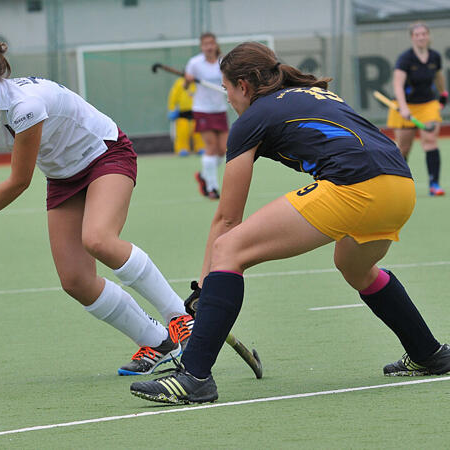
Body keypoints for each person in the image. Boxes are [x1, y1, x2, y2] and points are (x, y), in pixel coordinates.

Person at [130, 42, 450, 405]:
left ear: (244, 86)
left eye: (227, 89)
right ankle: (428, 353)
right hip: (400, 186)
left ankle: (194, 377)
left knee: (228, 250)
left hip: (354, 187)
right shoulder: (314, 91)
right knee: (354, 266)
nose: (228, 99)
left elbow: (227, 218)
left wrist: (206, 285)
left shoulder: (251, 119)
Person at [0, 36, 194, 376]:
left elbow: (19, 180)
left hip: (104, 155)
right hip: (63, 176)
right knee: (75, 281)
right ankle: (160, 344)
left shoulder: (25, 106)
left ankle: (181, 317)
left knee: (98, 239)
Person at [388, 21, 447, 196]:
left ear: (428, 36)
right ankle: (400, 185)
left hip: (427, 104)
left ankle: (434, 184)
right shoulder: (405, 58)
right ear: (412, 38)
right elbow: (398, 85)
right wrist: (404, 108)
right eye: (417, 34)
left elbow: (438, 76)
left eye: (424, 34)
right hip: (405, 106)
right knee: (404, 148)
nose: (421, 37)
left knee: (430, 141)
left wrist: (443, 93)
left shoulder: (435, 56)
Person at [185, 32, 229, 199]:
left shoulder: (223, 62)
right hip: (202, 109)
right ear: (201, 46)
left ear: (215, 44)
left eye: (211, 43)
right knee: (211, 147)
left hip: (220, 109)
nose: (209, 47)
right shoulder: (194, 63)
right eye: (205, 44)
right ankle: (212, 188)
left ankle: (204, 175)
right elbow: (185, 85)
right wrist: (188, 79)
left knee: (223, 150)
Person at [167, 77, 204, 156]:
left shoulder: (197, 83)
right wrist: (172, 109)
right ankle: (182, 148)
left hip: (196, 111)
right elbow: (173, 96)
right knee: (182, 131)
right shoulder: (179, 83)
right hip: (182, 113)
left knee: (198, 132)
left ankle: (200, 147)